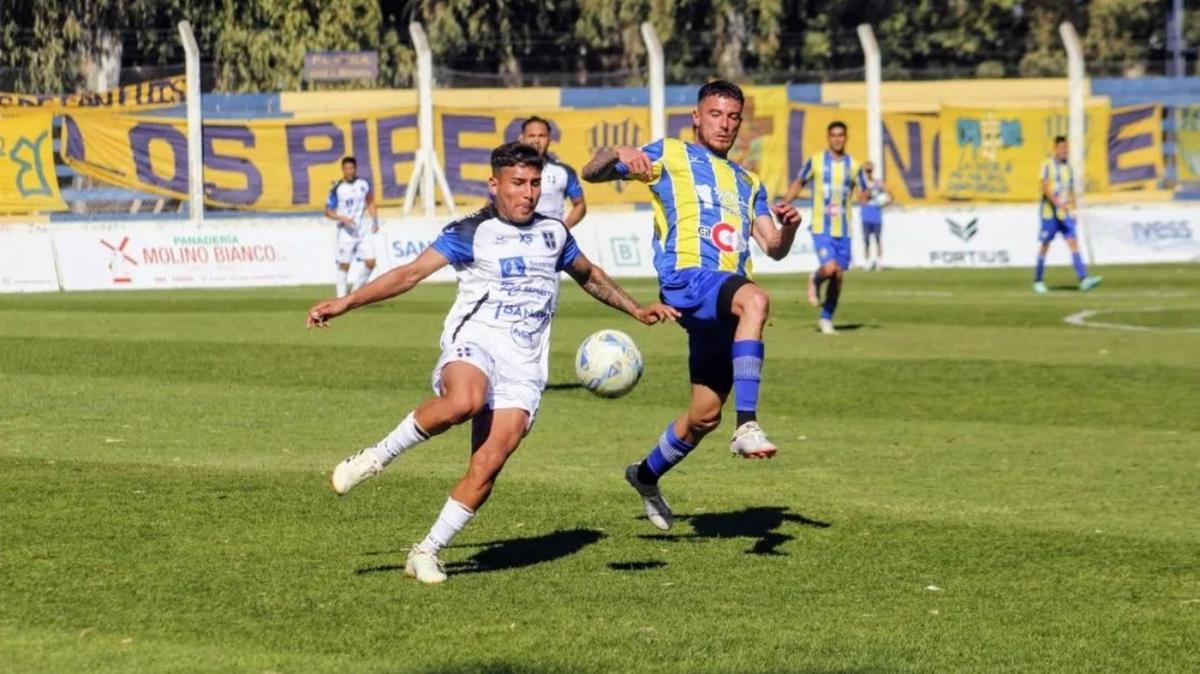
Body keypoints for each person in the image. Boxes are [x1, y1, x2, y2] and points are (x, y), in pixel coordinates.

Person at [306, 142, 677, 584]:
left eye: (535, 183)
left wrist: (636, 310)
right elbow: (408, 274)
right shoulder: (471, 231)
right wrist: (346, 302)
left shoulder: (554, 233)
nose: (529, 193)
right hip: (475, 343)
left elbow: (589, 275)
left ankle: (426, 551)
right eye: (518, 183)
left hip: (524, 367)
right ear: (494, 184)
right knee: (465, 399)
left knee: (488, 464)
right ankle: (375, 457)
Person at [581, 80, 803, 532]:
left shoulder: (749, 181)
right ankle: (748, 425)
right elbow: (592, 171)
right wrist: (619, 152)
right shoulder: (670, 154)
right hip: (687, 280)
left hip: (719, 302)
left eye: (733, 117)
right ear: (697, 118)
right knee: (756, 299)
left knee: (703, 417)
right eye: (716, 114)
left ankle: (645, 476)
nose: (725, 124)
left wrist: (791, 228)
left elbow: (773, 246)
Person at [782, 121, 866, 335]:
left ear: (846, 138)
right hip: (821, 226)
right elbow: (800, 181)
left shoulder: (854, 166)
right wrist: (786, 202)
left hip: (844, 230)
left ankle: (826, 318)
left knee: (838, 276)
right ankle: (815, 279)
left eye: (841, 135)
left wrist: (869, 193)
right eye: (834, 135)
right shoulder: (816, 162)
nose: (837, 139)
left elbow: (864, 193)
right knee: (829, 268)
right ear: (828, 138)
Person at [1034, 137, 1102, 293]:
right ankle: (1038, 280)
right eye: (1061, 148)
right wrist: (1057, 203)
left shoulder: (1068, 169)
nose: (1064, 151)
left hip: (1064, 214)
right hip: (1049, 214)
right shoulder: (1047, 165)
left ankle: (1084, 279)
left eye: (1066, 148)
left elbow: (1070, 192)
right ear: (1055, 149)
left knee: (1073, 242)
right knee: (1045, 246)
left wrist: (1073, 210)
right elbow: (1044, 187)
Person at [324, 157, 379, 298]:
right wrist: (341, 218)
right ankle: (341, 297)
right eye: (346, 169)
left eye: (351, 168)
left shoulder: (363, 184)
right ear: (342, 170)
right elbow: (328, 211)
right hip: (345, 232)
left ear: (356, 169)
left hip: (362, 231)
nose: (349, 171)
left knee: (371, 262)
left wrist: (375, 220)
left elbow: (370, 202)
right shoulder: (337, 188)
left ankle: (355, 293)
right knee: (344, 265)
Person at [519, 116, 587, 228]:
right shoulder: (509, 170)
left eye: (542, 136)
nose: (536, 140)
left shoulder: (564, 172)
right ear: (521, 139)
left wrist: (563, 229)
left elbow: (580, 205)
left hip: (551, 241)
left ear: (549, 140)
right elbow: (493, 203)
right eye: (531, 136)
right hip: (519, 239)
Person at [859, 162, 891, 271]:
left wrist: (883, 202)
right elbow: (862, 199)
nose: (868, 172)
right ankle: (867, 261)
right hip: (866, 215)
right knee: (866, 240)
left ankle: (879, 262)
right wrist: (869, 191)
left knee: (878, 239)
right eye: (867, 170)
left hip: (876, 215)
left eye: (870, 170)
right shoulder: (861, 184)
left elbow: (890, 196)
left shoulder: (878, 183)